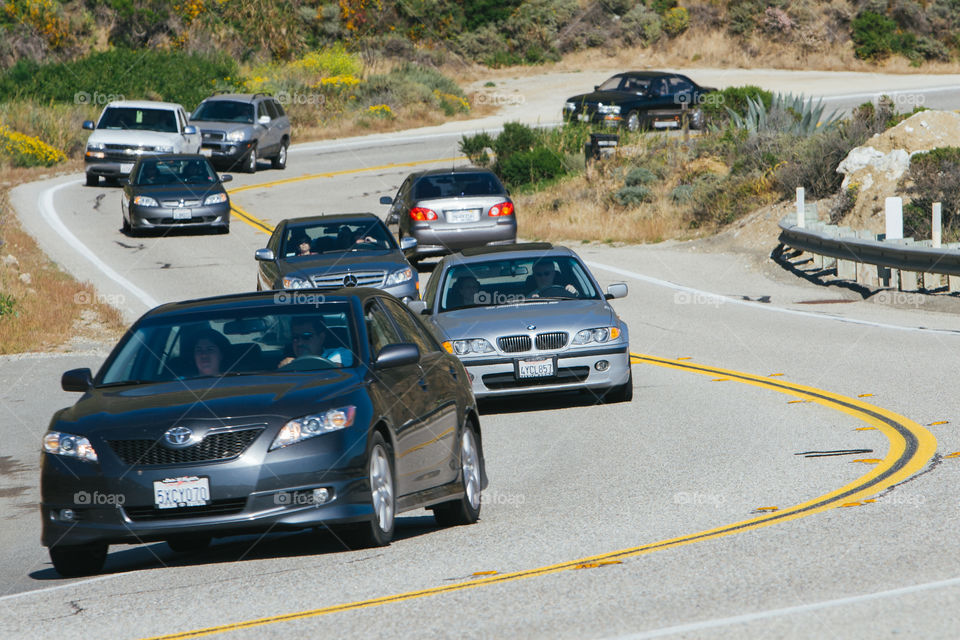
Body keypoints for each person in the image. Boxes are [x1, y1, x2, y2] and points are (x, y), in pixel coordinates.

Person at [278, 317, 352, 368]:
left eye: (306, 337)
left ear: (321, 337)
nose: (299, 343)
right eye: (295, 337)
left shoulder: (340, 355)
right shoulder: (288, 363)